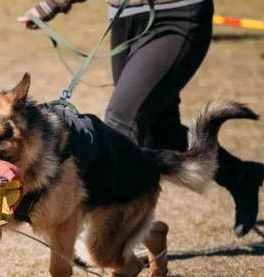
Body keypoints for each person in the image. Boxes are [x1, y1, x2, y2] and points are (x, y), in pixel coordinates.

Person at [18, 0, 264, 237]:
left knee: (122, 121)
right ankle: (240, 176)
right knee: (160, 131)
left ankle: (104, 230)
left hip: (177, 15)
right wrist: (51, 4)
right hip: (124, 17)